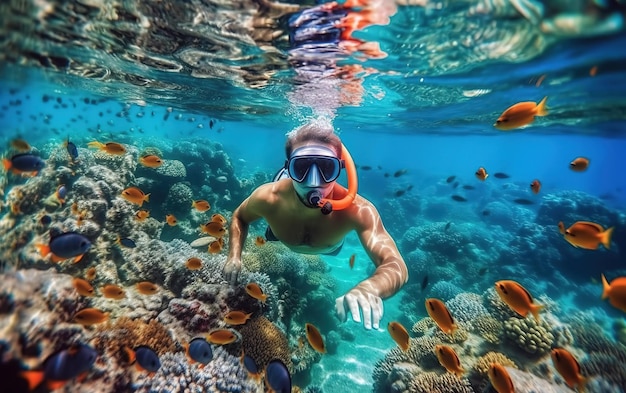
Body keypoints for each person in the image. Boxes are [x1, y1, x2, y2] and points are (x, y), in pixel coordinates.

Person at [223, 121, 408, 330]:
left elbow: (396, 264)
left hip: (330, 248)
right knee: (272, 229)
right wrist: (234, 256)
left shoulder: (359, 210)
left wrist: (370, 288)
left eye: (326, 168)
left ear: (339, 169)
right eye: (300, 168)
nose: (313, 181)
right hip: (282, 226)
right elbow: (239, 216)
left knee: (324, 245)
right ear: (289, 167)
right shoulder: (269, 197)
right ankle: (277, 213)